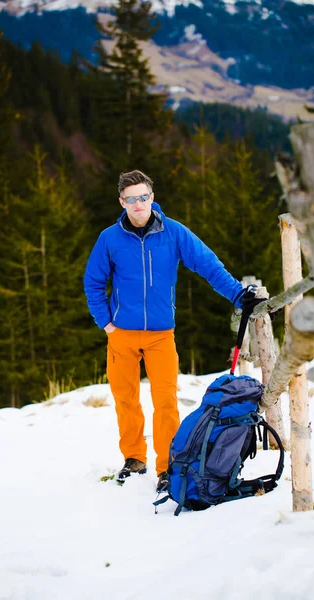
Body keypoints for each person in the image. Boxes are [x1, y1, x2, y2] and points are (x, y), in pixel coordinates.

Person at [83, 170, 248, 493]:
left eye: (143, 196)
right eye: (131, 198)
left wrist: (238, 295)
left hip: (161, 335)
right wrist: (106, 323)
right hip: (122, 335)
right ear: (122, 202)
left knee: (165, 401)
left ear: (152, 198)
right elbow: (93, 282)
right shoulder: (109, 238)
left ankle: (166, 465)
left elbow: (208, 264)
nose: (138, 203)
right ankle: (134, 458)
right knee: (125, 398)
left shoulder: (173, 233)